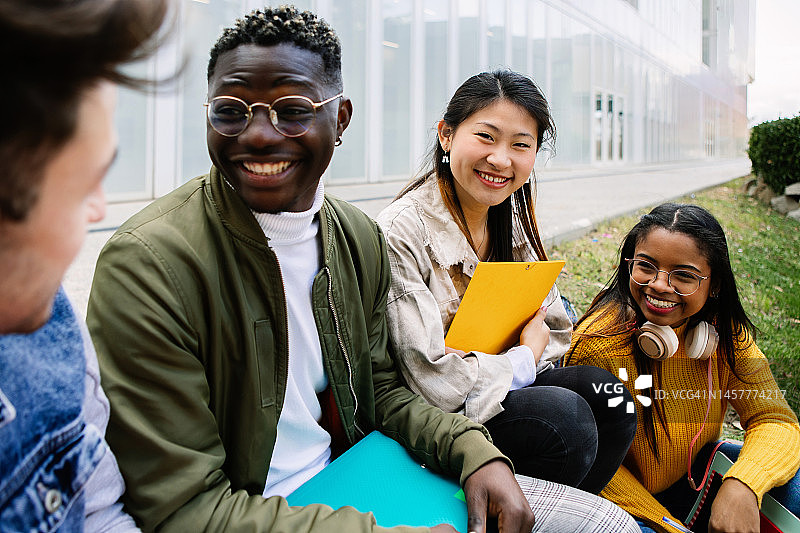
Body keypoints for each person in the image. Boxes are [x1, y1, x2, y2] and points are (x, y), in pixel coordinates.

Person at [87, 7, 638, 533]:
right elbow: (185, 511)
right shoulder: (149, 266)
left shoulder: (354, 238)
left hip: (364, 474)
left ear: (340, 117)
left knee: (609, 520)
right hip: (258, 514)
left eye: (293, 110)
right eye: (231, 110)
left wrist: (474, 453)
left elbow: (384, 391)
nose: (257, 135)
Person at [376, 69, 636, 494]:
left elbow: (555, 327)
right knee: (565, 420)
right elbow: (435, 384)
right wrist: (522, 356)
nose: (501, 159)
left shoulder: (510, 217)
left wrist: (514, 356)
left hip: (495, 384)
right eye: (486, 136)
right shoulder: (401, 232)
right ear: (446, 135)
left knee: (611, 397)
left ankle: (570, 513)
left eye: (520, 145)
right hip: (437, 419)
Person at [0, 0, 170, 531]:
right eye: (85, 183)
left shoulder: (53, 330)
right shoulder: (146, 261)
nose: (100, 208)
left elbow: (99, 513)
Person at [564, 203, 800, 533]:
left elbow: (775, 419)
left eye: (684, 276)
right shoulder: (598, 345)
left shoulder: (726, 336)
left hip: (694, 477)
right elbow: (592, 463)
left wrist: (743, 485)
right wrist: (670, 526)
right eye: (646, 266)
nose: (660, 285)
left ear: (714, 284)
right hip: (621, 501)